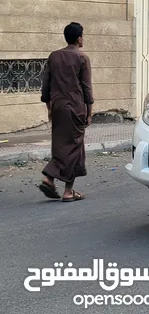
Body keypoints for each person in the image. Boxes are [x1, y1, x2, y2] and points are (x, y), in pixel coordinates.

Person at [38, 22, 93, 202]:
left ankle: (57, 183)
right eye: (82, 36)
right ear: (79, 38)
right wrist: (89, 111)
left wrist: (49, 108)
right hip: (75, 108)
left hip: (58, 107)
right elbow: (86, 88)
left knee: (61, 145)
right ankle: (62, 187)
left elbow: (46, 85)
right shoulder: (82, 58)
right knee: (75, 148)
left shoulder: (54, 56)